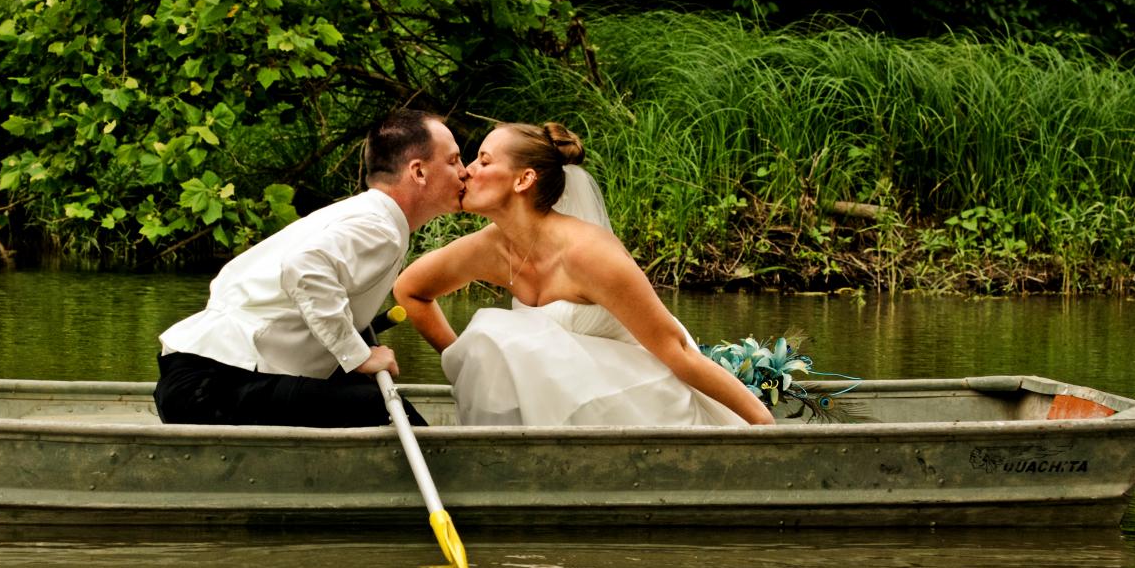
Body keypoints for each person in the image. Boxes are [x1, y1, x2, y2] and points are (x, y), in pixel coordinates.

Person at [392, 121, 775, 427]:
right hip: (562, 401)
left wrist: (762, 423)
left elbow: (677, 351)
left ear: (523, 180)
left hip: (645, 404)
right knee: (486, 342)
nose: (467, 172)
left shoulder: (588, 253)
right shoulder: (489, 246)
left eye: (484, 161)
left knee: (493, 330)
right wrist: (466, 362)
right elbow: (410, 290)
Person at [155, 110, 467, 427]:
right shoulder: (379, 227)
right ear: (419, 172)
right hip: (210, 386)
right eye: (454, 160)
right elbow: (304, 267)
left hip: (204, 375)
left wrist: (353, 340)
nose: (464, 172)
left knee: (370, 397)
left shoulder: (369, 215)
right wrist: (357, 355)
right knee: (380, 407)